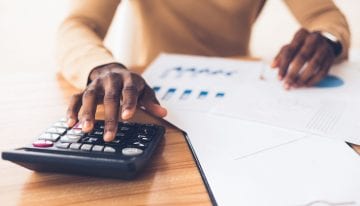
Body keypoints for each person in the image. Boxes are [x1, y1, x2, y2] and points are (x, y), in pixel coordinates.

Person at [57, 0, 350, 142]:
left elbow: (325, 16)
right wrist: (102, 66)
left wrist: (327, 41)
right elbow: (78, 24)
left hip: (237, 101)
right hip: (149, 99)